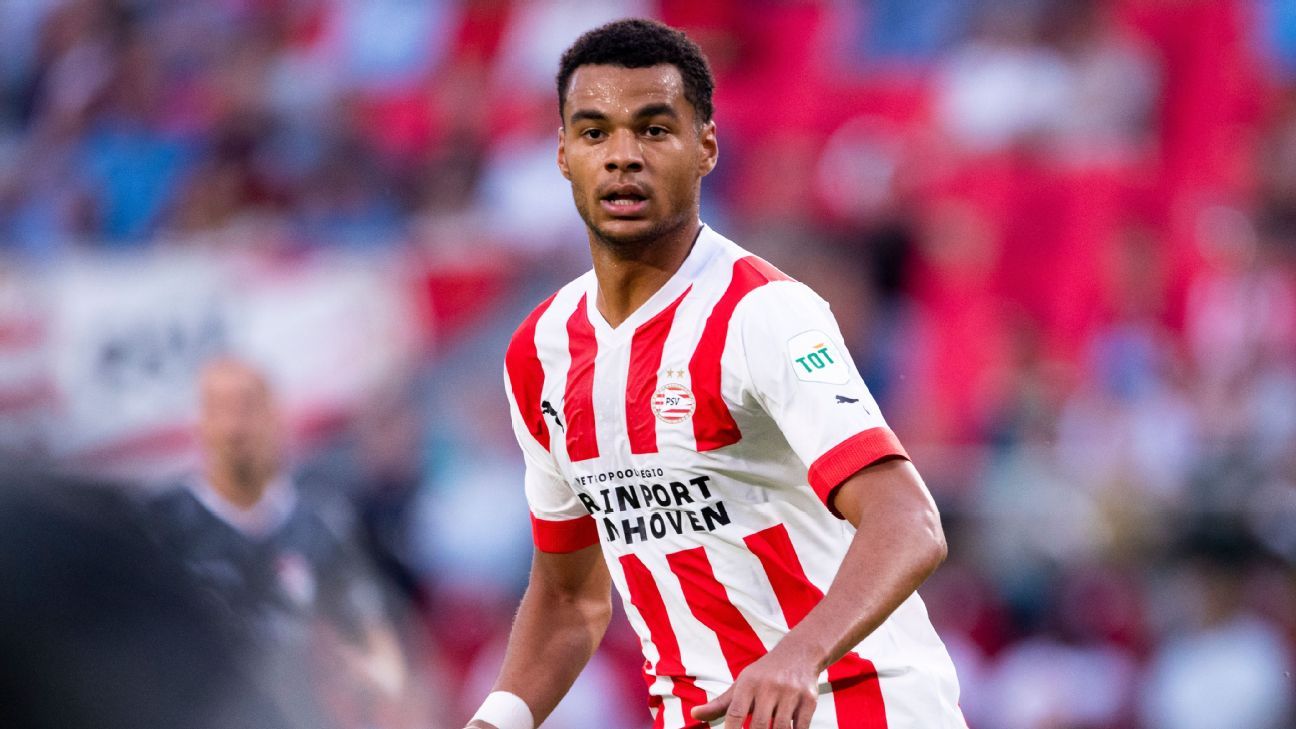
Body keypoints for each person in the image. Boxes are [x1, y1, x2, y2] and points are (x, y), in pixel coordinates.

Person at [467, 18, 965, 729]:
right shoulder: (540, 351)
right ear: (563, 154)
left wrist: (799, 654)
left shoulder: (763, 313)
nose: (623, 157)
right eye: (595, 132)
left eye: (653, 129)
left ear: (705, 146)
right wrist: (495, 720)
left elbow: (909, 520)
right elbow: (571, 597)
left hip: (859, 708)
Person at [147, 358, 415, 729]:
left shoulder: (320, 520)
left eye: (248, 407)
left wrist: (367, 680)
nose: (235, 427)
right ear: (200, 424)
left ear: (276, 418)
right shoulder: (162, 528)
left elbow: (372, 639)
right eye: (220, 410)